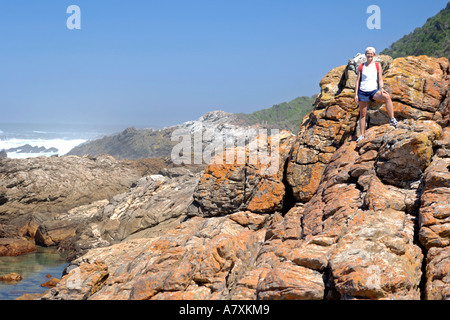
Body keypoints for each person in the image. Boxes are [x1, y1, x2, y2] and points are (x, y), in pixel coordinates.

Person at [354, 47, 398, 142]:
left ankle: (392, 119)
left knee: (387, 97)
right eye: (368, 54)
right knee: (363, 114)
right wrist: (356, 94)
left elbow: (380, 79)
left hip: (373, 90)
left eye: (371, 54)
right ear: (365, 55)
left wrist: (381, 89)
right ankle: (362, 135)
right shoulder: (362, 66)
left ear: (374, 55)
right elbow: (358, 80)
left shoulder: (377, 66)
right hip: (362, 91)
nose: (369, 55)